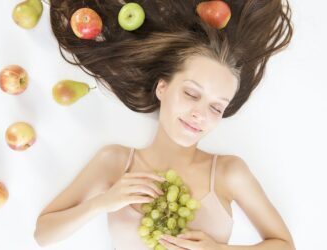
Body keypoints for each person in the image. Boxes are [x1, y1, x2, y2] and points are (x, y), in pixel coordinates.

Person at [34, 0, 295, 249]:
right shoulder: (114, 162)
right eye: (191, 94)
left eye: (216, 107)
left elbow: (285, 246)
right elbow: (43, 234)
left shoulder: (229, 172)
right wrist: (102, 203)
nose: (199, 114)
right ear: (163, 87)